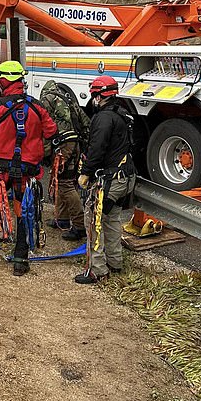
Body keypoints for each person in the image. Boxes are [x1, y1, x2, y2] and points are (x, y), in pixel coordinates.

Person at [0, 60, 57, 276]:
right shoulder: (37, 107)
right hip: (27, 170)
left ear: (2, 81)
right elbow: (51, 132)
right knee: (24, 211)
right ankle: (21, 259)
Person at [76, 77, 136, 285]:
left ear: (98, 95)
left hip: (109, 181)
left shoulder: (103, 119)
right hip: (126, 178)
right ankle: (115, 262)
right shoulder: (124, 114)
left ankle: (97, 270)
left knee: (93, 222)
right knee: (112, 220)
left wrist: (86, 172)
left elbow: (96, 149)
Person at [39, 80, 89, 241]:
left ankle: (79, 226)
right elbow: (85, 122)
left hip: (63, 145)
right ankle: (62, 218)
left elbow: (45, 129)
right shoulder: (68, 98)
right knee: (60, 180)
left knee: (65, 184)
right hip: (75, 143)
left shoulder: (47, 100)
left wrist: (44, 155)